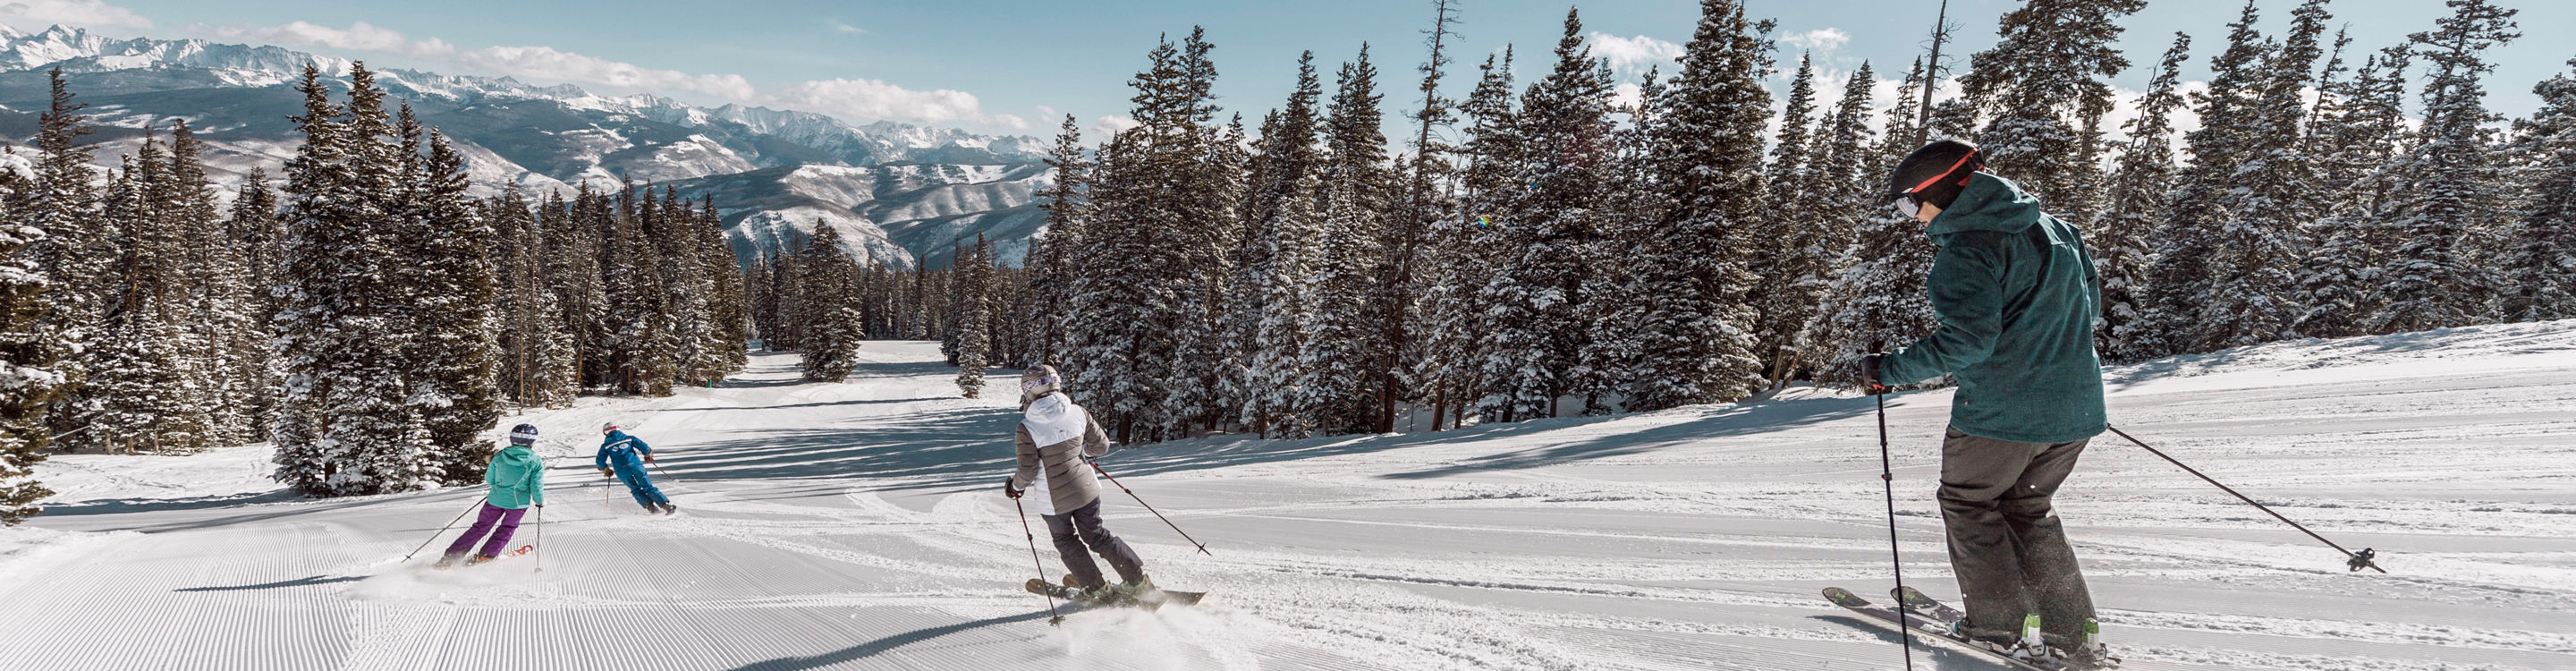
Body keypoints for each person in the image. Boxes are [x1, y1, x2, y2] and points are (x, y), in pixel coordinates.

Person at [1863, 139, 2109, 664]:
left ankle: (2000, 627)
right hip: (2076, 411)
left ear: (1943, 190)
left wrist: (1889, 370)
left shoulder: (1969, 248)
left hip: (2001, 415)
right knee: (2028, 507)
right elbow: (2087, 309)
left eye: (1911, 203)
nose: (1911, 216)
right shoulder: (2058, 229)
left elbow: (1967, 342)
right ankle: (2069, 628)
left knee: (1970, 504)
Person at [1003, 365, 1151, 602]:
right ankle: (1137, 580)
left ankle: (1095, 587)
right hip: (1087, 490)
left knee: (1066, 540)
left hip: (1054, 501)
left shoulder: (1027, 428)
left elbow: (1028, 471)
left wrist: (1015, 487)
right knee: (1098, 535)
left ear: (1028, 391)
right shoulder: (1078, 412)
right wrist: (1082, 453)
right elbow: (1101, 447)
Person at [438, 424, 547, 567]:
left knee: (480, 527)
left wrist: (500, 485)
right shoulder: (535, 461)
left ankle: (451, 557)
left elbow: (489, 479)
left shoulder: (500, 456)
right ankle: (485, 557)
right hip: (517, 504)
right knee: (506, 528)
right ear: (533, 442)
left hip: (495, 500)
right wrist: (539, 501)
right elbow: (536, 485)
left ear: (511, 439)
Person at [598, 422, 676, 515]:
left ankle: (652, 509)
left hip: (621, 471)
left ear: (605, 433)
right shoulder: (630, 438)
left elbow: (600, 461)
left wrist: (606, 470)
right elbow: (644, 447)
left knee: (635, 489)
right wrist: (648, 455)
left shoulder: (605, 446)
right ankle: (666, 506)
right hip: (636, 466)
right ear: (618, 429)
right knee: (648, 487)